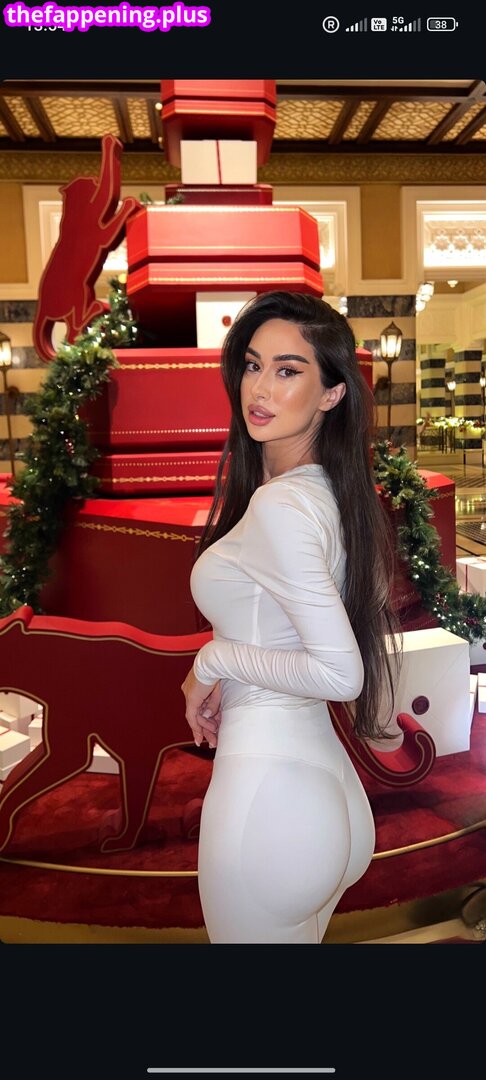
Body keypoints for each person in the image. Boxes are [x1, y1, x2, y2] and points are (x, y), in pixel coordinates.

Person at [181, 290, 403, 944]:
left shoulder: (282, 507)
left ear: (332, 393)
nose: (260, 388)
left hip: (270, 798)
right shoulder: (331, 493)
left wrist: (211, 662)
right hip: (322, 790)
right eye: (253, 365)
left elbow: (340, 673)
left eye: (288, 370)